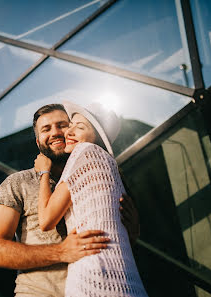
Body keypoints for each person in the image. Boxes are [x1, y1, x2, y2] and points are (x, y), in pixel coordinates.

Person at [0, 104, 140, 296]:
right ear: (37, 141)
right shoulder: (18, 182)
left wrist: (131, 233)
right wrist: (61, 251)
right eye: (46, 129)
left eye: (62, 125)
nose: (55, 133)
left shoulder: (101, 177)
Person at [34, 101, 148, 297]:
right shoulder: (110, 168)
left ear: (96, 137)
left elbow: (45, 220)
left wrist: (43, 171)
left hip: (93, 278)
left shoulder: (83, 152)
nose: (68, 132)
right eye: (70, 126)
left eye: (79, 128)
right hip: (127, 280)